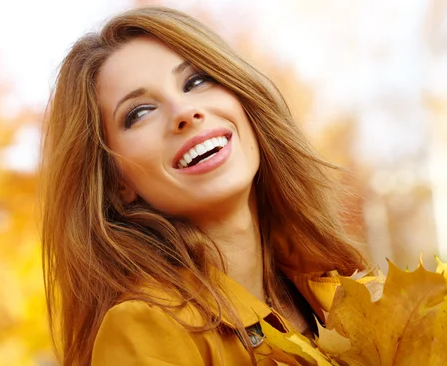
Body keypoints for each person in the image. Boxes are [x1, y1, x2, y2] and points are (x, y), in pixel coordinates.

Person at [41, 6, 368, 366]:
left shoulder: (340, 287)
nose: (185, 112)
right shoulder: (144, 328)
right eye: (139, 112)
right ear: (118, 182)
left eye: (196, 82)